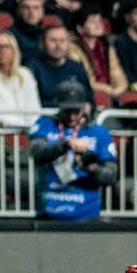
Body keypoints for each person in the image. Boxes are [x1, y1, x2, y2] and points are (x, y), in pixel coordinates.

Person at [27, 84, 118, 221]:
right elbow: (37, 152)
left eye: (76, 110)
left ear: (84, 107)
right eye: (67, 110)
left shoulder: (99, 132)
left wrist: (91, 168)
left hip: (87, 214)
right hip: (49, 212)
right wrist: (65, 145)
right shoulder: (44, 124)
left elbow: (111, 175)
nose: (72, 116)